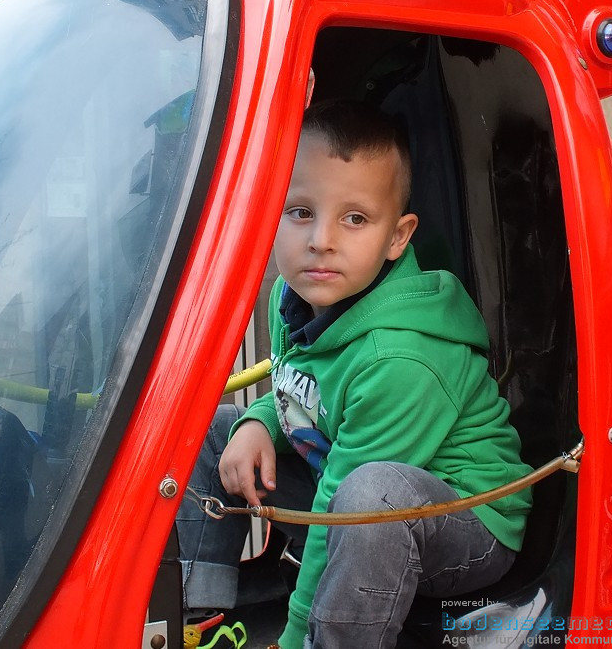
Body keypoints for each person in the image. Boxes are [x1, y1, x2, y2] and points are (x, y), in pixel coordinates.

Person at [178, 97, 533, 649]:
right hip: (350, 489)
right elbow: (302, 394)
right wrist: (257, 422)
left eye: (356, 218)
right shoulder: (291, 296)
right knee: (214, 427)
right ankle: (199, 614)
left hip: (465, 526)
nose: (322, 239)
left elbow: (341, 509)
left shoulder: (398, 359)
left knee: (371, 495)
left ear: (397, 236)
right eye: (301, 212)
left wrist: (296, 636)